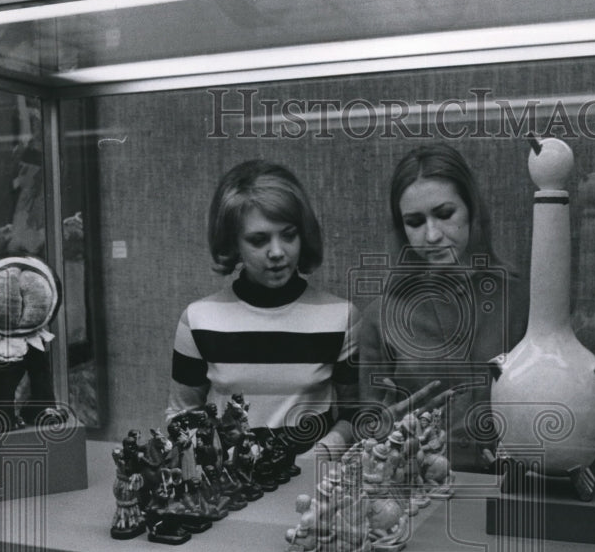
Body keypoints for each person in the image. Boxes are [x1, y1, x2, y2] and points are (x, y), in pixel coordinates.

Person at [166, 159, 358, 476]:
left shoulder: (341, 317)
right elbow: (181, 414)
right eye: (258, 240)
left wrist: (320, 455)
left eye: (289, 235)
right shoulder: (198, 319)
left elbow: (354, 415)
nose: (277, 251)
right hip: (228, 485)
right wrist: (204, 460)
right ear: (233, 244)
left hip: (309, 485)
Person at [358, 144, 528, 473]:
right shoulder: (381, 317)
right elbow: (370, 429)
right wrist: (385, 431)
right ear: (402, 229)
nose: (432, 235)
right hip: (420, 491)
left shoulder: (522, 300)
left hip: (513, 489)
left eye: (445, 213)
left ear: (471, 210)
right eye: (415, 221)